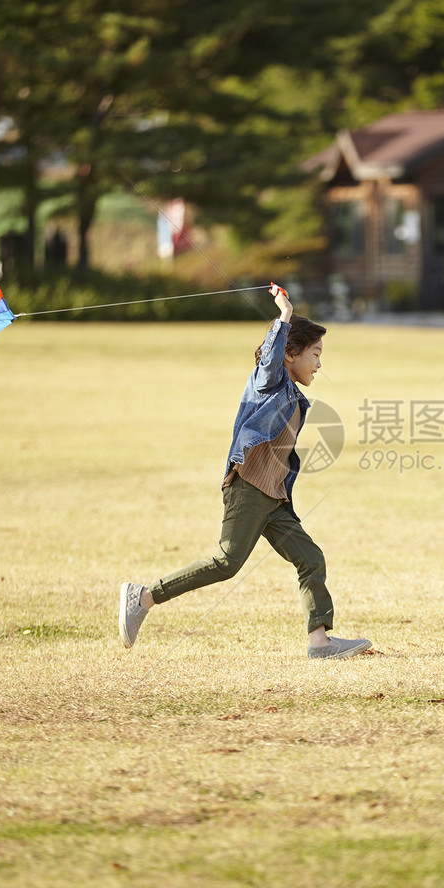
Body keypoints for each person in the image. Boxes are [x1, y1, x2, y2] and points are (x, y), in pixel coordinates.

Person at [119, 283, 372, 660]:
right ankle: (143, 596)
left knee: (311, 558)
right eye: (315, 354)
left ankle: (320, 643)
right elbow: (270, 356)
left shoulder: (293, 393)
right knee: (226, 563)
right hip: (249, 489)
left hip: (273, 498)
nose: (319, 364)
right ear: (290, 354)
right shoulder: (269, 381)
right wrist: (284, 315)